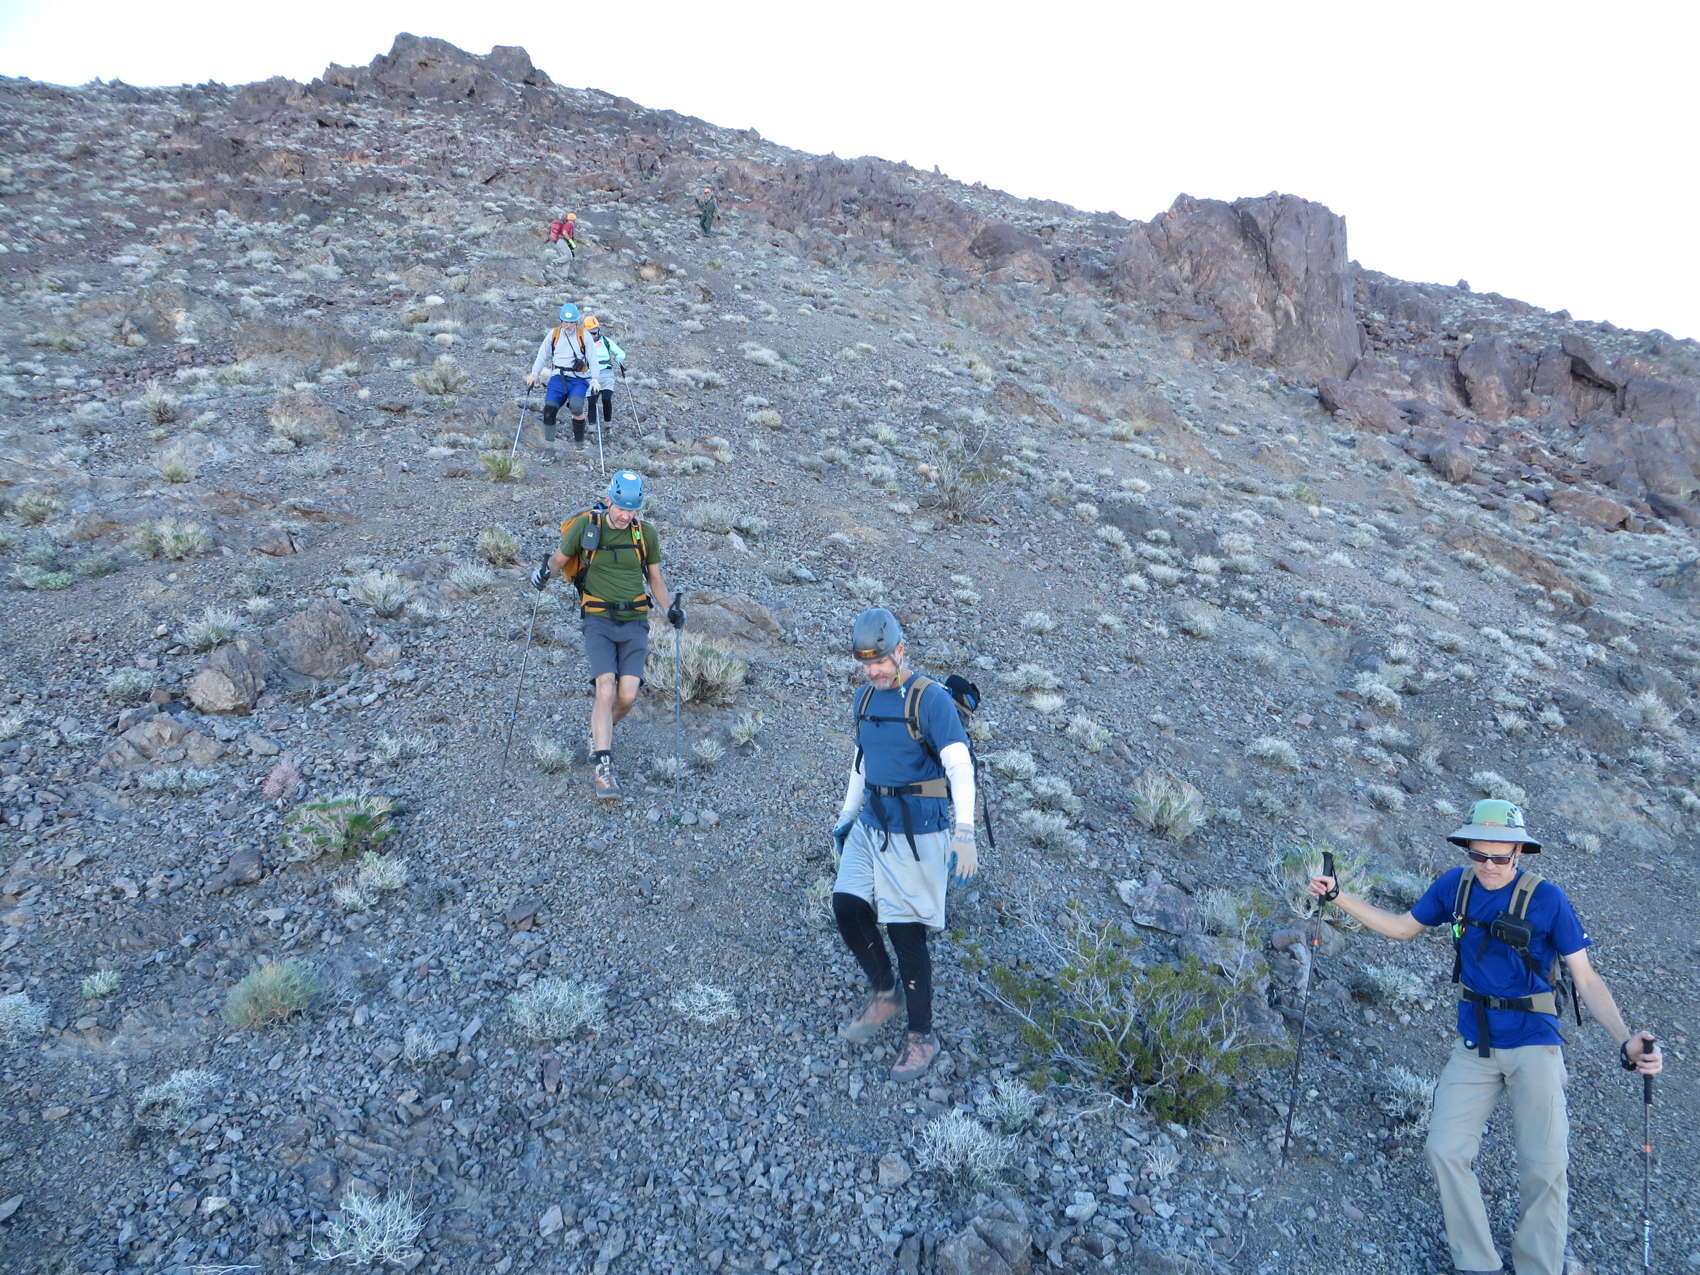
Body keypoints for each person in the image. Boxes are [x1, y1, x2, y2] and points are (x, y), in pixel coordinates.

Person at [1308, 799, 1663, 1275]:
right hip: (1474, 1043)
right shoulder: (1454, 886)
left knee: (1544, 1167)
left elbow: (1586, 978)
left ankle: (1539, 1266)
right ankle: (1477, 1263)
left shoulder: (1548, 899)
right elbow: (1401, 928)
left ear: (1519, 852)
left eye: (1500, 857)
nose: (1489, 866)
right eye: (1479, 855)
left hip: (1534, 1042)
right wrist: (1338, 897)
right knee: (1444, 1149)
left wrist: (1625, 1039)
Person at [829, 608, 978, 1080]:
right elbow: (862, 760)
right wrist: (847, 815)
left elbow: (960, 767)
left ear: (899, 650)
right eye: (865, 664)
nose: (873, 671)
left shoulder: (930, 700)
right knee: (847, 905)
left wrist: (965, 832)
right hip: (872, 822)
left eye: (880, 661)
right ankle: (885, 992)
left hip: (917, 831)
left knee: (905, 933)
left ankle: (921, 1036)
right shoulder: (864, 697)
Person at [530, 470, 681, 798]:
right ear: (609, 500)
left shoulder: (645, 534)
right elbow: (559, 559)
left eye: (633, 509)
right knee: (606, 687)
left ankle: (598, 735)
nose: (626, 516)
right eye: (622, 508)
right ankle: (603, 768)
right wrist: (543, 574)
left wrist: (669, 609)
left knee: (627, 696)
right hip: (597, 617)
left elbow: (655, 578)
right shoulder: (588, 526)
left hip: (635, 620)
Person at [524, 303, 608, 450]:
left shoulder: (584, 336)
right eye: (565, 321)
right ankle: (549, 448)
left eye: (571, 322)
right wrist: (534, 373)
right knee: (549, 410)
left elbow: (593, 360)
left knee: (576, 407)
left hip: (579, 378)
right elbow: (542, 355)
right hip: (558, 377)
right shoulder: (554, 334)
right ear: (561, 320)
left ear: (576, 321)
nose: (568, 325)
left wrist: (595, 379)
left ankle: (579, 445)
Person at [581, 315, 627, 433]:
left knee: (606, 399)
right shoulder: (582, 344)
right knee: (592, 401)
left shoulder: (606, 341)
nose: (594, 334)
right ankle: (591, 429)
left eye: (595, 331)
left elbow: (620, 353)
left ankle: (608, 425)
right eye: (591, 332)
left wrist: (619, 358)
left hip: (606, 374)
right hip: (590, 375)